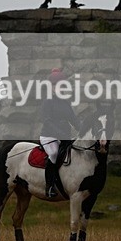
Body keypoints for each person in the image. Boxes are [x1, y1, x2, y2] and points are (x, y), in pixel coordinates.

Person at [39, 68, 79, 198]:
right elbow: (47, 121)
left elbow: (73, 119)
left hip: (65, 137)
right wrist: (60, 134)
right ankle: (49, 186)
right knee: (54, 154)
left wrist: (83, 129)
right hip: (49, 136)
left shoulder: (65, 102)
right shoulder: (47, 101)